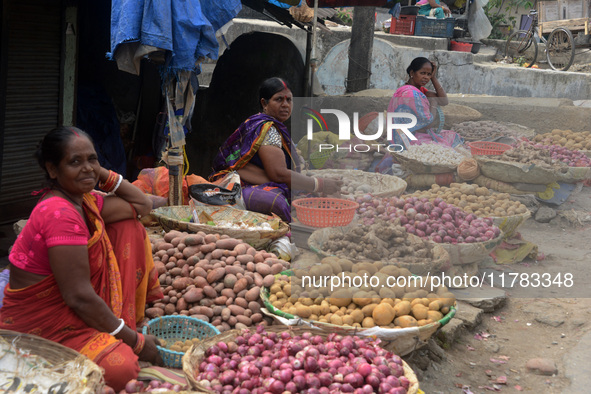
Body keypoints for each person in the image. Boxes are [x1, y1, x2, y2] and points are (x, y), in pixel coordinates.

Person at [0, 127, 164, 391]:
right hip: (43, 326)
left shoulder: (83, 202)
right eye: (75, 162)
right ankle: (116, 330)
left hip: (73, 309)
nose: (87, 168)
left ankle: (116, 323)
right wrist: (136, 342)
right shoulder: (60, 214)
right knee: (124, 369)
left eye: (92, 159)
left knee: (128, 226)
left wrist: (100, 174)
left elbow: (142, 205)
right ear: (53, 170)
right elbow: (78, 297)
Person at [209, 77, 341, 222]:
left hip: (253, 181)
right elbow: (278, 173)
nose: (285, 105)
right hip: (241, 185)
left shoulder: (267, 125)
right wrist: (319, 184)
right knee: (278, 202)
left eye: (289, 100)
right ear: (264, 103)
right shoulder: (267, 129)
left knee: (308, 194)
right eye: (279, 99)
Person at [388, 57, 463, 148]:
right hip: (406, 138)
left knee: (454, 136)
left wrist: (434, 78)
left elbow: (444, 101)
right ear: (412, 73)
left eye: (429, 74)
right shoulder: (411, 94)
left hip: (417, 133)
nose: (426, 77)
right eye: (422, 73)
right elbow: (428, 124)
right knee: (443, 148)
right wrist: (433, 102)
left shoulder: (420, 90)